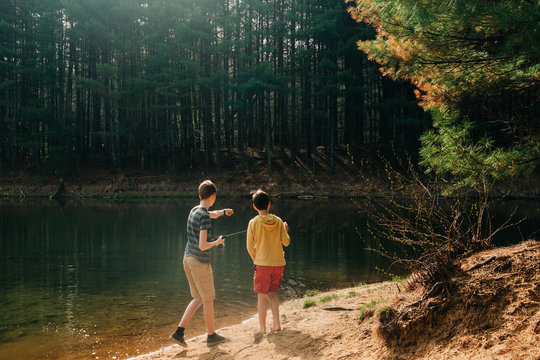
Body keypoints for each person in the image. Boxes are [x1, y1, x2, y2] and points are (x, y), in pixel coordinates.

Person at [170, 180, 234, 347]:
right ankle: (212, 336)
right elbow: (203, 245)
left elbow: (210, 214)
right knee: (208, 299)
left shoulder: (194, 211)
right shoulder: (204, 216)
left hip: (187, 259)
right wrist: (218, 241)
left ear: (200, 195)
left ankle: (179, 333)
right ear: (213, 196)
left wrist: (223, 212)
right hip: (199, 262)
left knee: (198, 297)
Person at [246, 189, 290, 334]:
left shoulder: (253, 222)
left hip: (262, 264)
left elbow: (249, 246)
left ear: (254, 206)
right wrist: (285, 229)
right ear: (269, 204)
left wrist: (256, 259)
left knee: (261, 296)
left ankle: (262, 328)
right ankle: (277, 324)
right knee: (272, 293)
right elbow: (286, 242)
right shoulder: (278, 221)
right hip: (278, 264)